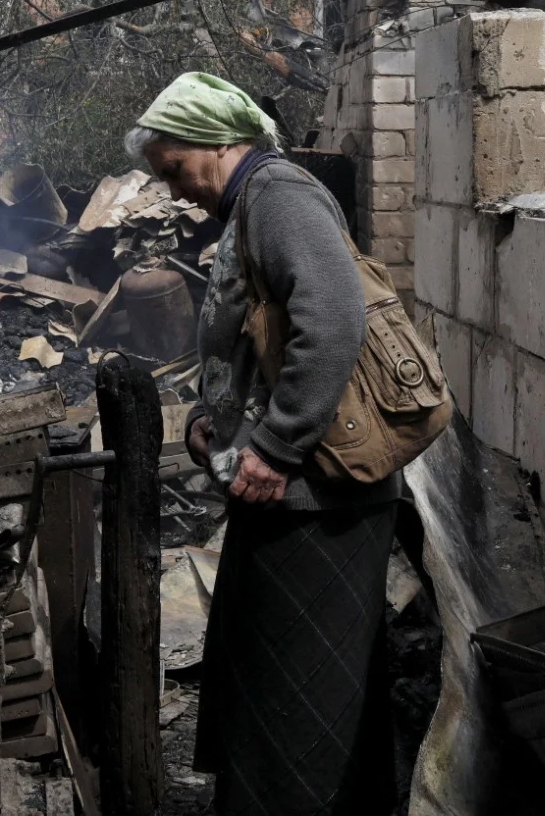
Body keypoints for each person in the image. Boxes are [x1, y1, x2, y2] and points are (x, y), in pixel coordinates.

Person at [125, 71, 399, 816]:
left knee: (298, 690)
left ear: (216, 142)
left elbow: (335, 319)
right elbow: (256, 343)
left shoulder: (279, 196)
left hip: (321, 501)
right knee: (281, 681)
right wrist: (214, 419)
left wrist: (275, 447)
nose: (176, 191)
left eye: (175, 170)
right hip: (296, 498)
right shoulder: (251, 205)